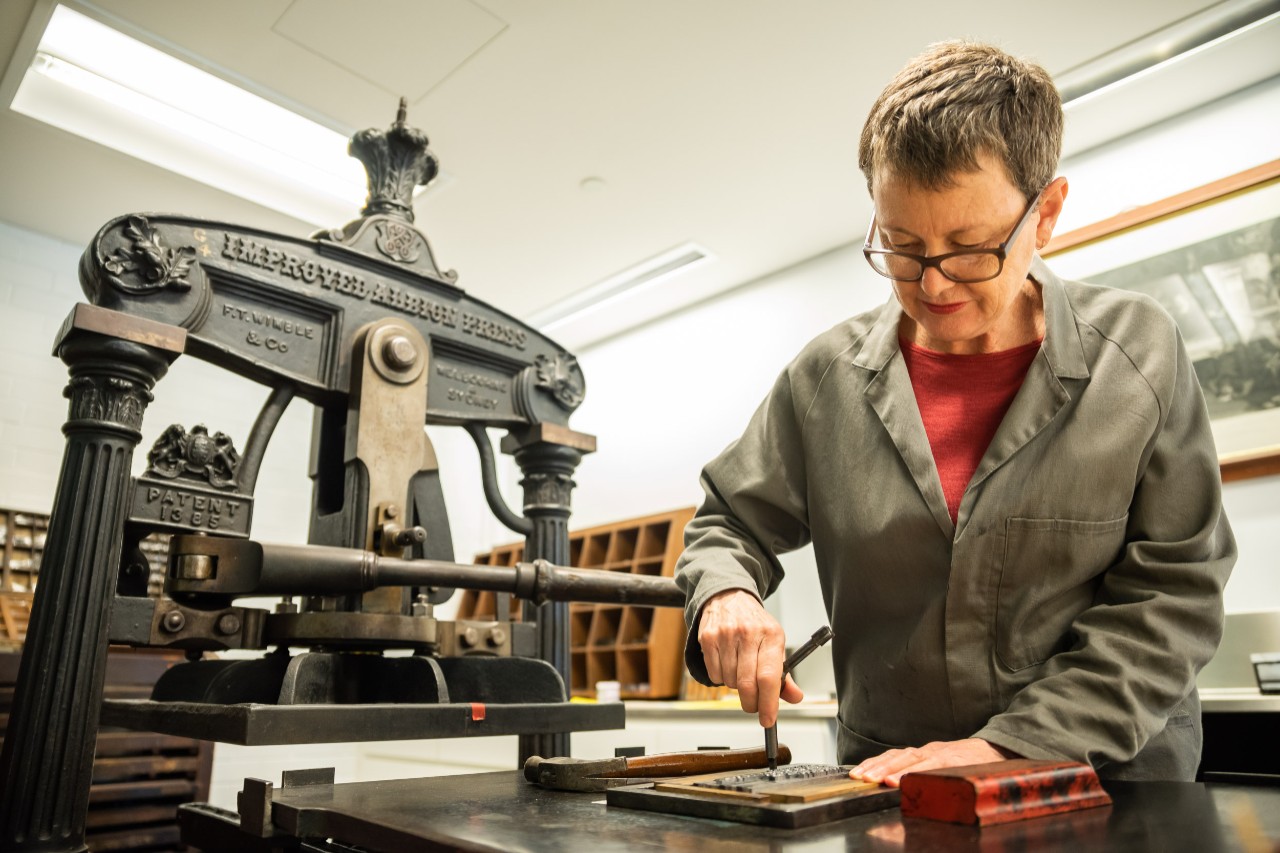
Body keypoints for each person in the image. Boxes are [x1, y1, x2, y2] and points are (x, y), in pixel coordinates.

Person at [674, 40, 1236, 786]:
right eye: (902, 247)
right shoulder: (824, 380)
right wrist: (726, 592)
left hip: (1109, 787)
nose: (933, 284)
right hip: (891, 793)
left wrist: (1015, 743)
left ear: (1047, 215)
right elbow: (728, 521)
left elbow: (1175, 591)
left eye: (971, 248)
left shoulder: (1138, 355)